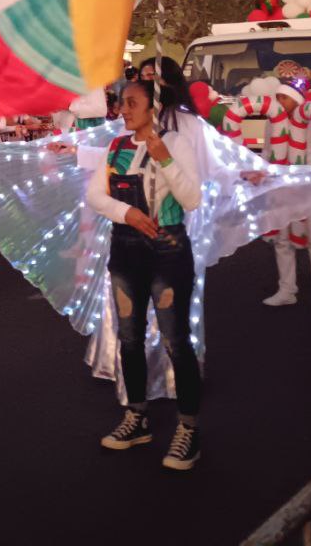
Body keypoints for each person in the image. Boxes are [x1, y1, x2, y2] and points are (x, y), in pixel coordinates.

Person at [86, 77, 204, 471]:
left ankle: (188, 428)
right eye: (122, 103)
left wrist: (165, 159)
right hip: (125, 249)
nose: (124, 110)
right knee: (129, 338)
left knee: (175, 341)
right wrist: (128, 214)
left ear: (152, 107)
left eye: (133, 103)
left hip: (168, 250)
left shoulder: (176, 142)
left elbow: (192, 199)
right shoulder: (116, 147)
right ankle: (137, 417)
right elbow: (95, 195)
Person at [262, 78, 311, 310]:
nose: (281, 102)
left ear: (297, 99)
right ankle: (286, 289)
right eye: (278, 98)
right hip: (282, 189)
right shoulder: (272, 121)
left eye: (285, 97)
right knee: (282, 241)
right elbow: (267, 150)